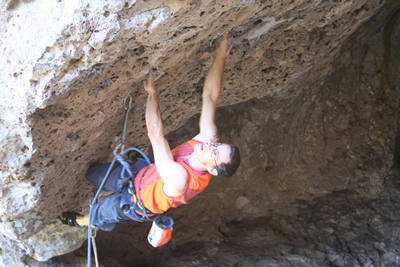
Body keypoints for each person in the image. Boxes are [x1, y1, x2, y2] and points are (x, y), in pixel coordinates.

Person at [59, 33, 240, 231]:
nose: (210, 145)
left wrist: (151, 94)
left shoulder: (182, 179)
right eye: (217, 144)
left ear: (212, 170)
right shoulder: (206, 141)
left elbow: (155, 134)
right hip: (141, 173)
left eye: (214, 152)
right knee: (92, 174)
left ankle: (81, 221)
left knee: (102, 213)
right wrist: (221, 54)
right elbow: (210, 96)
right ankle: (113, 182)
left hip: (135, 203)